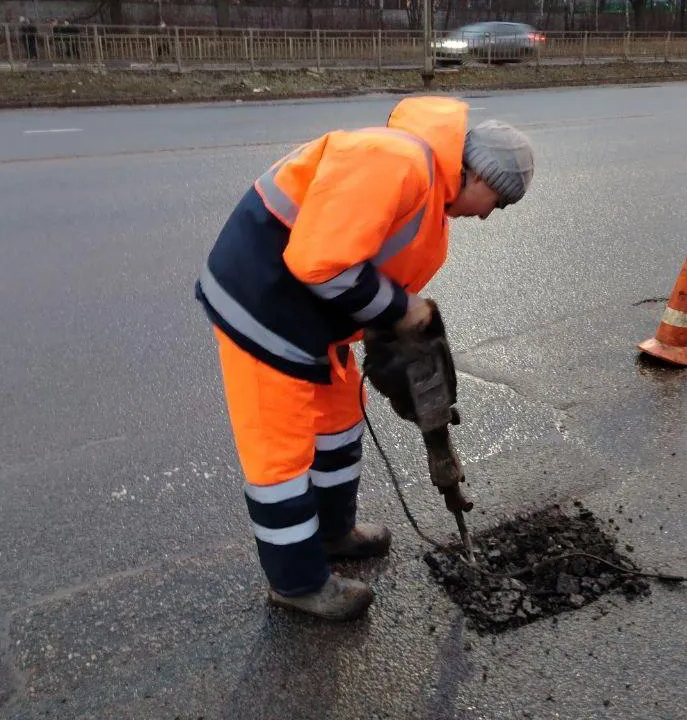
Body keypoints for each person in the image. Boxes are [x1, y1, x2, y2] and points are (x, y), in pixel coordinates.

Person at [195, 96, 534, 621]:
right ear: (476, 174)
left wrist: (404, 350)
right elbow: (320, 265)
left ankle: (333, 533)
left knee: (340, 428)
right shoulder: (395, 162)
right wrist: (403, 310)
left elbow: (371, 282)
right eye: (499, 202)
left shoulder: (432, 208)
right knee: (279, 460)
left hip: (314, 321)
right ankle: (298, 583)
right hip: (262, 305)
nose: (490, 216)